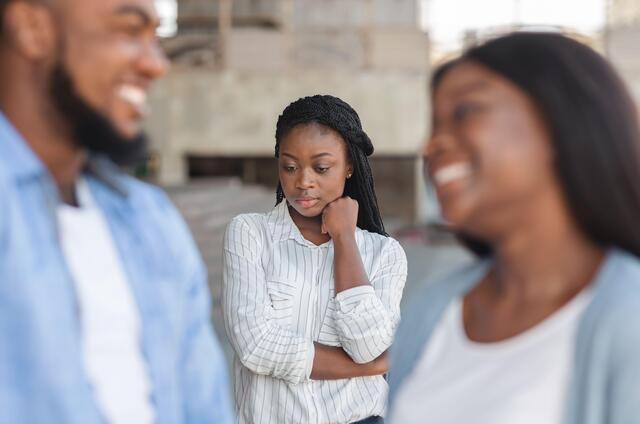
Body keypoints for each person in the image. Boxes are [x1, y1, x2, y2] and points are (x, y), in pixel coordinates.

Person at [387, 32, 640, 424]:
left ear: (560, 121)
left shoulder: (628, 318)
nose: (431, 145)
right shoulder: (432, 310)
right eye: (435, 123)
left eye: (466, 111)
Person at [0, 0, 233, 423]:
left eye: (155, 38)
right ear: (33, 28)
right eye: (129, 31)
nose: (156, 64)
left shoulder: (151, 220)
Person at [222, 95, 407, 424]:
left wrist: (345, 239)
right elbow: (255, 345)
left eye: (321, 168)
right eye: (290, 167)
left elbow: (369, 345)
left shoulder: (384, 254)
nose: (303, 181)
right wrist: (366, 367)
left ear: (349, 165)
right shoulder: (250, 233)